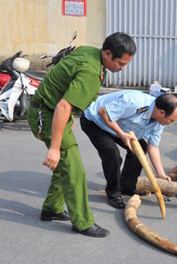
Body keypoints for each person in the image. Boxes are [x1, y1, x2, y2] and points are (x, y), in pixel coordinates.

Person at [27, 32, 136, 237]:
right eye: (121, 63)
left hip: (51, 111)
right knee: (75, 170)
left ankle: (52, 208)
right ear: (107, 53)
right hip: (48, 114)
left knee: (65, 165)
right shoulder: (90, 71)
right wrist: (54, 147)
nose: (122, 68)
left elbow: (65, 96)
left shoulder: (90, 52)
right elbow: (64, 105)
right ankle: (83, 222)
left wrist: (68, 119)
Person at [80, 91, 177, 208]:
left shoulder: (160, 122)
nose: (171, 124)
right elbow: (103, 112)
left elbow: (153, 146)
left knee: (141, 148)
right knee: (112, 154)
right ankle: (113, 193)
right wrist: (121, 134)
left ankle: (127, 187)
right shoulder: (134, 102)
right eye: (171, 120)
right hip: (96, 122)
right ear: (162, 112)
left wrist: (161, 174)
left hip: (120, 128)